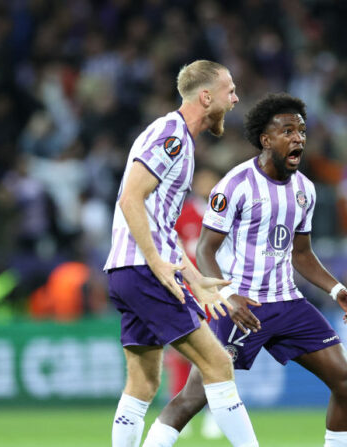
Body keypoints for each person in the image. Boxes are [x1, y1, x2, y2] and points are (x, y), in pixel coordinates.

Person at [142, 93, 347, 447]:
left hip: (289, 304)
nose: (298, 138)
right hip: (243, 307)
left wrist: (336, 290)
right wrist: (228, 297)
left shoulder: (305, 190)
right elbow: (205, 249)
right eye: (288, 131)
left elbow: (301, 253)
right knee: (193, 397)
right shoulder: (235, 185)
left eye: (302, 131)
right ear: (266, 139)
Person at [103, 60, 258, 447]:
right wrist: (158, 265)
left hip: (126, 269)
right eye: (230, 90)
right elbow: (129, 198)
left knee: (144, 381)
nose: (236, 99)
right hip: (143, 268)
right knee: (218, 363)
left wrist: (194, 278)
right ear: (206, 97)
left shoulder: (181, 143)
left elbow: (161, 226)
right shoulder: (171, 135)